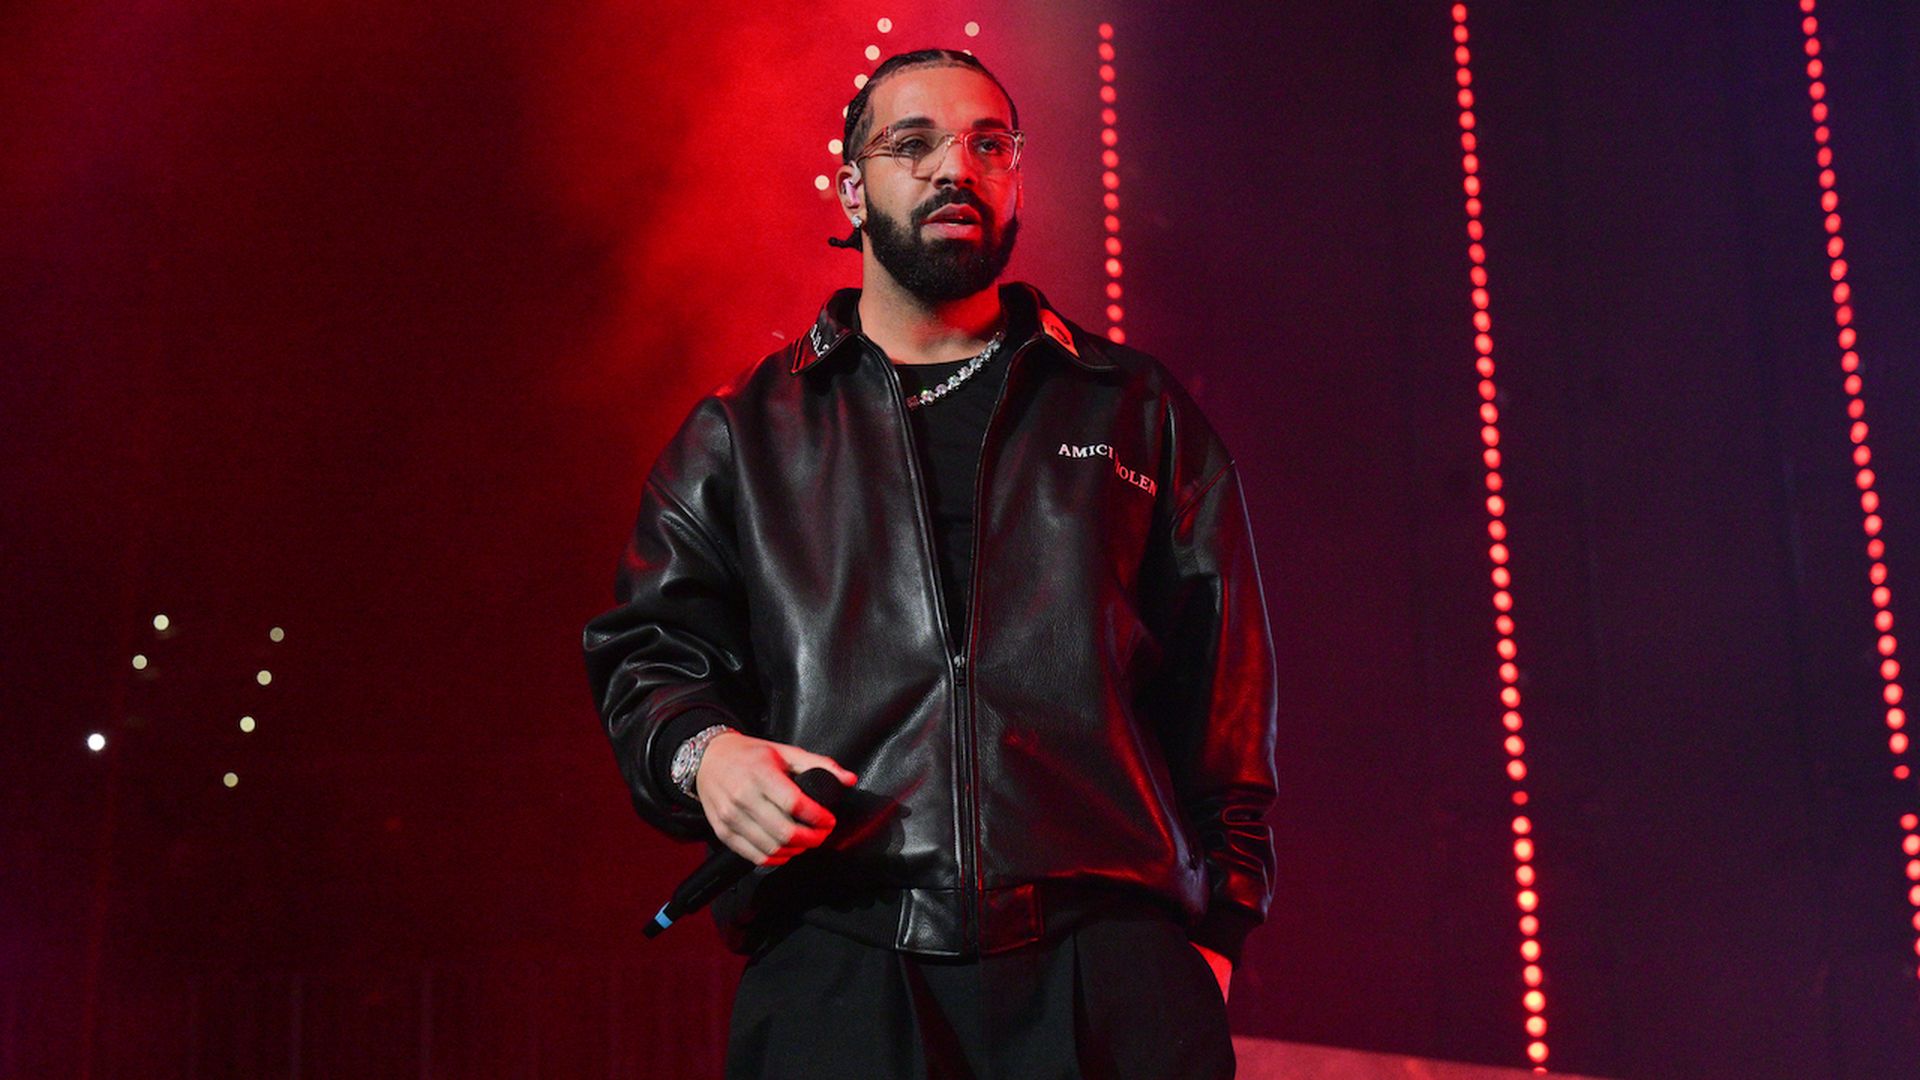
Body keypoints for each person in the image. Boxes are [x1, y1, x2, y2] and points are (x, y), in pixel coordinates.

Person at [583, 47, 1278, 1079]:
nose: (957, 167)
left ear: (1015, 178)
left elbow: (1226, 691)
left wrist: (1217, 933)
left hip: (1112, 967)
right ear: (853, 189)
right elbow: (648, 659)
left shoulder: (1133, 410)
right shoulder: (745, 436)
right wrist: (708, 757)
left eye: (987, 144)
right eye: (914, 145)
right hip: (840, 960)